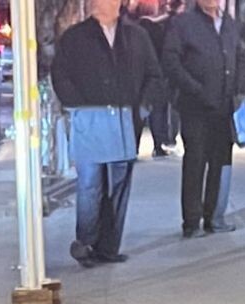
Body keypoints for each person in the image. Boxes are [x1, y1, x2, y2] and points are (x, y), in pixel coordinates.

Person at [52, 0, 160, 267]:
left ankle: (109, 247)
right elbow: (60, 74)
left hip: (124, 121)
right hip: (91, 120)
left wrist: (143, 106)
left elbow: (153, 74)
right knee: (90, 184)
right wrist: (78, 104)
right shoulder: (75, 37)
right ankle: (86, 242)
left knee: (119, 184)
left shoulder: (136, 36)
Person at [163, 0, 245, 238]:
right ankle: (191, 221)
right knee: (195, 161)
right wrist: (195, 88)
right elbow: (171, 62)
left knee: (220, 162)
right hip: (195, 106)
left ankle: (214, 217)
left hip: (224, 106)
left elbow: (242, 56)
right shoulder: (183, 24)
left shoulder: (229, 24)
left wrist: (238, 88)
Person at [138, 1, 176, 155]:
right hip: (157, 72)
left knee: (142, 109)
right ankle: (158, 144)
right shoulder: (159, 28)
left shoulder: (139, 28)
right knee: (158, 109)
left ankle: (135, 145)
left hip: (142, 72)